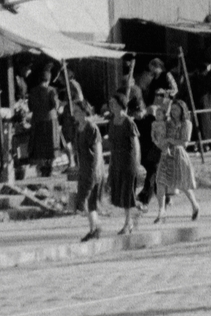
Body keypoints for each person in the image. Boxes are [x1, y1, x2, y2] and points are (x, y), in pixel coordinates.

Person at [153, 93, 201, 222]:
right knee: (160, 181)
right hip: (166, 153)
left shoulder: (187, 124)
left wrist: (170, 140)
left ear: (182, 110)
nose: (173, 112)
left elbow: (185, 143)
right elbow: (161, 133)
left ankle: (195, 205)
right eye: (172, 109)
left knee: (183, 183)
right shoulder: (168, 123)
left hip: (179, 154)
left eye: (176, 109)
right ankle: (161, 210)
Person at [107, 90, 142, 235]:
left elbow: (136, 144)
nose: (112, 106)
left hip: (129, 161)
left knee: (127, 192)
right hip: (117, 160)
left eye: (114, 103)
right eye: (110, 104)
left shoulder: (128, 122)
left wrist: (137, 164)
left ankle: (128, 223)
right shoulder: (111, 122)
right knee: (120, 191)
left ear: (121, 105)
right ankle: (136, 211)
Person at [69, 96, 105, 242]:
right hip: (83, 168)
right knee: (89, 202)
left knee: (85, 200)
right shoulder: (78, 128)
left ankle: (96, 227)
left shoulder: (91, 128)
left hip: (92, 168)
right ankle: (94, 228)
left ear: (84, 112)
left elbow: (98, 149)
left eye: (77, 111)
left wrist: (97, 168)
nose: (74, 114)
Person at [26, 68, 62, 178]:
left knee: (40, 145)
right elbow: (55, 105)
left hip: (37, 120)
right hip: (50, 120)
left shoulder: (32, 91)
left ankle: (42, 168)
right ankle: (50, 168)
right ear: (48, 80)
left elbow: (30, 107)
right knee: (51, 144)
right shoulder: (51, 90)